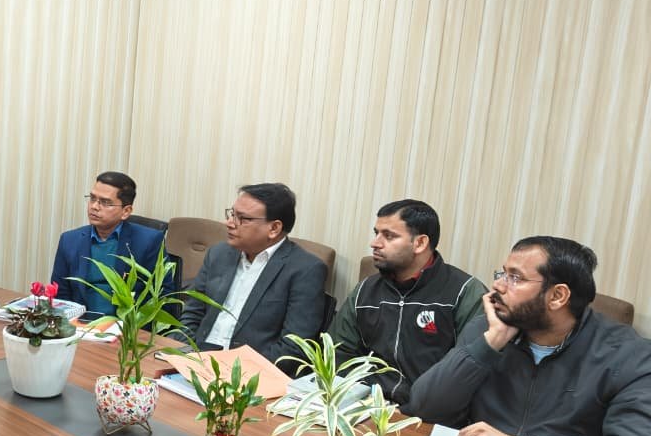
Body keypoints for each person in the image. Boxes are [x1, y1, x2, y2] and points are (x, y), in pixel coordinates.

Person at [409, 236, 651, 436]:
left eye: (515, 278)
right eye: (502, 273)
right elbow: (424, 408)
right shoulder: (488, 330)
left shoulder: (628, 355)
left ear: (557, 296)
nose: (497, 285)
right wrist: (490, 343)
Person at [328, 199, 486, 407]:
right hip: (367, 406)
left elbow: (468, 370)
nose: (375, 243)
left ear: (420, 243)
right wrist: (362, 399)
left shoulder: (464, 292)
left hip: (431, 413)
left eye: (389, 236)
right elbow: (337, 354)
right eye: (376, 233)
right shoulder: (366, 290)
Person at [175, 183, 325, 365]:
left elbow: (293, 348)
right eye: (232, 214)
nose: (229, 223)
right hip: (195, 358)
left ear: (274, 228)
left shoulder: (305, 270)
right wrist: (186, 355)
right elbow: (191, 314)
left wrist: (235, 371)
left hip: (248, 371)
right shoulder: (219, 254)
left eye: (243, 219)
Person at [50, 172, 164, 313]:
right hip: (79, 322)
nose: (94, 206)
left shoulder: (149, 241)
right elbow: (60, 294)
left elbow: (160, 297)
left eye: (105, 202)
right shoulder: (69, 240)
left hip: (125, 324)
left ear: (126, 211)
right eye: (92, 198)